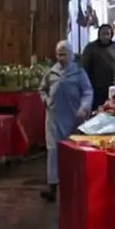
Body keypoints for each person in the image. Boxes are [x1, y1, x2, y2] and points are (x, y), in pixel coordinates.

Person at [39, 41, 93, 201]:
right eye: (58, 54)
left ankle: (73, 187)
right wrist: (46, 100)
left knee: (72, 152)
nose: (60, 58)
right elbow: (42, 89)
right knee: (53, 151)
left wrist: (84, 107)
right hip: (54, 118)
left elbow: (88, 91)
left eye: (64, 54)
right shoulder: (51, 72)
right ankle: (52, 186)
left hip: (73, 118)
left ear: (71, 55)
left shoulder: (79, 72)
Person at [81, 23, 115, 108]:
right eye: (103, 34)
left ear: (111, 35)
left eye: (108, 34)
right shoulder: (91, 48)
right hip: (96, 88)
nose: (105, 36)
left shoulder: (114, 47)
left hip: (111, 87)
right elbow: (85, 67)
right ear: (99, 34)